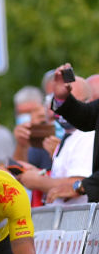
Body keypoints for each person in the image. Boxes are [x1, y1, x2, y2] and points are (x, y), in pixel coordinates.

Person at [18, 75, 95, 205]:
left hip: (79, 222)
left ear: (88, 102)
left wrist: (37, 181)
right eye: (58, 102)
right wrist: (38, 173)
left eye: (70, 102)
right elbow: (64, 177)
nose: (63, 108)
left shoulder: (87, 134)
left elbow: (78, 182)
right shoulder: (70, 135)